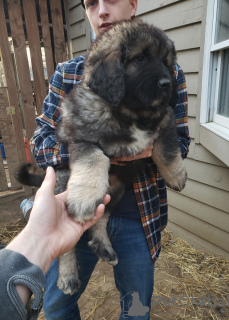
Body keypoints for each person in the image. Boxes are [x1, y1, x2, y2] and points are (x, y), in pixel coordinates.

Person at [21, 0, 190, 319]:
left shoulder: (168, 72)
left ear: (133, 5)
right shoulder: (67, 72)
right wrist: (96, 152)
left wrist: (155, 153)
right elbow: (42, 143)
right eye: (90, 3)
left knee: (136, 306)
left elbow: (179, 139)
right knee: (58, 304)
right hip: (74, 211)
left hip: (138, 216)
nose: (102, 11)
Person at [0, 167, 110, 320]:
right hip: (73, 199)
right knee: (56, 308)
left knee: (136, 296)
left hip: (137, 211)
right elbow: (42, 147)